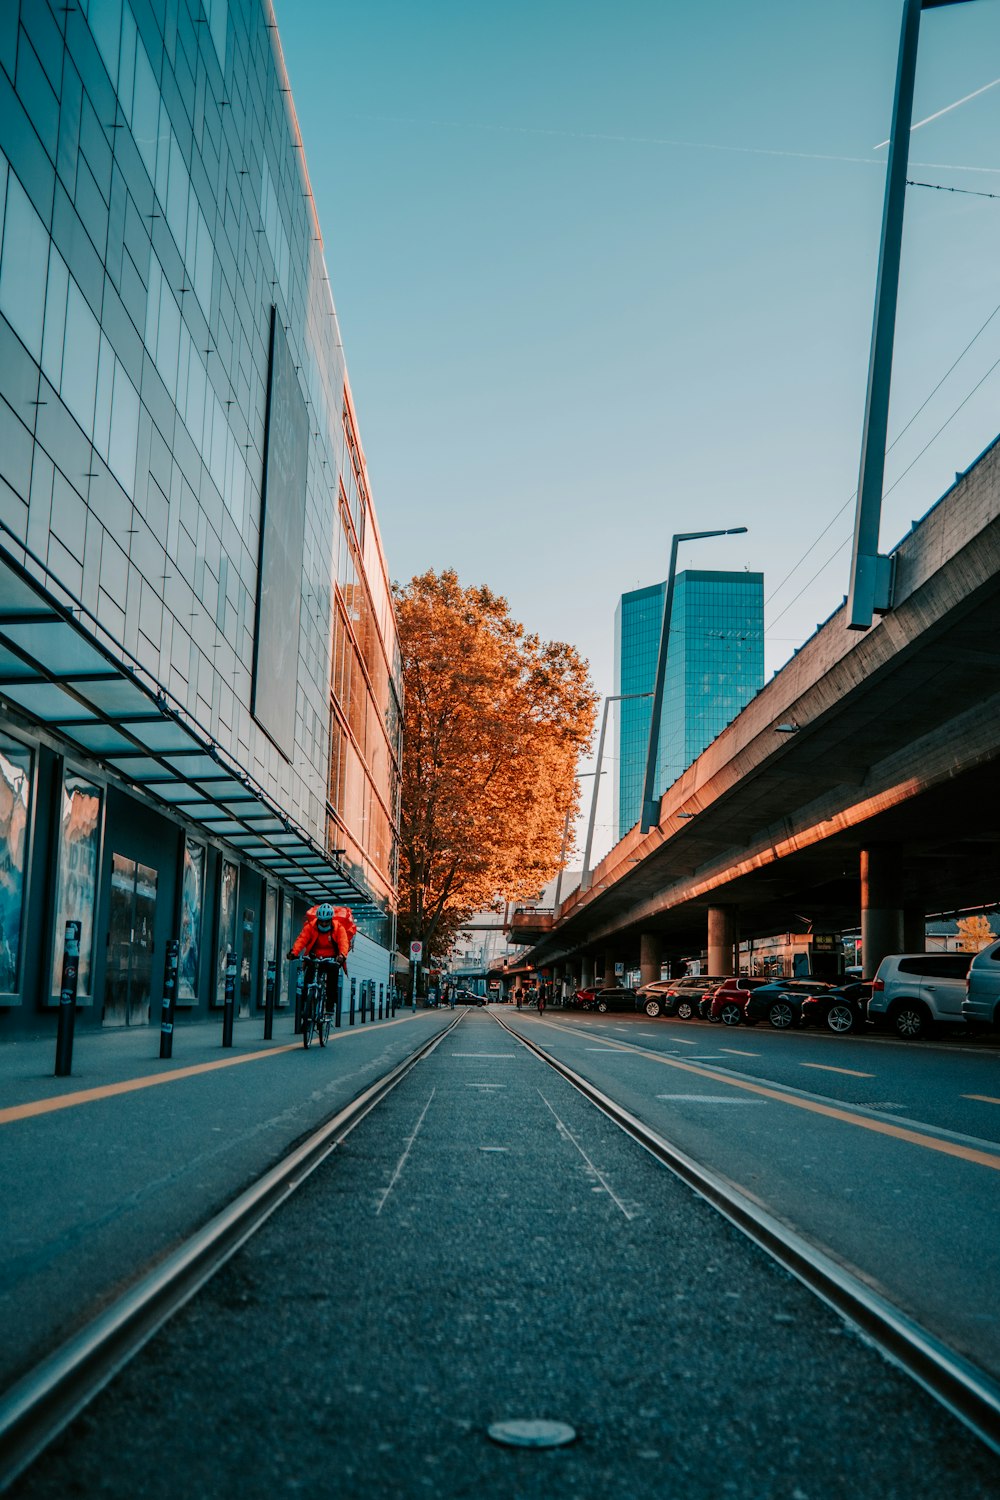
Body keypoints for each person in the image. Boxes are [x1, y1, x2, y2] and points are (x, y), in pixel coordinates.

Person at [287, 902, 354, 1016]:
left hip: (332, 958)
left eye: (326, 921)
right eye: (321, 921)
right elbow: (301, 940)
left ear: (331, 920)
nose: (323, 924)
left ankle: (329, 1006)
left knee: (332, 979)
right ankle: (306, 1009)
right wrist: (294, 952)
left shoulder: (338, 927)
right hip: (314, 957)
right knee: (307, 981)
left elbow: (343, 942)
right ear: (317, 919)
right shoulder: (310, 926)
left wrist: (342, 955)